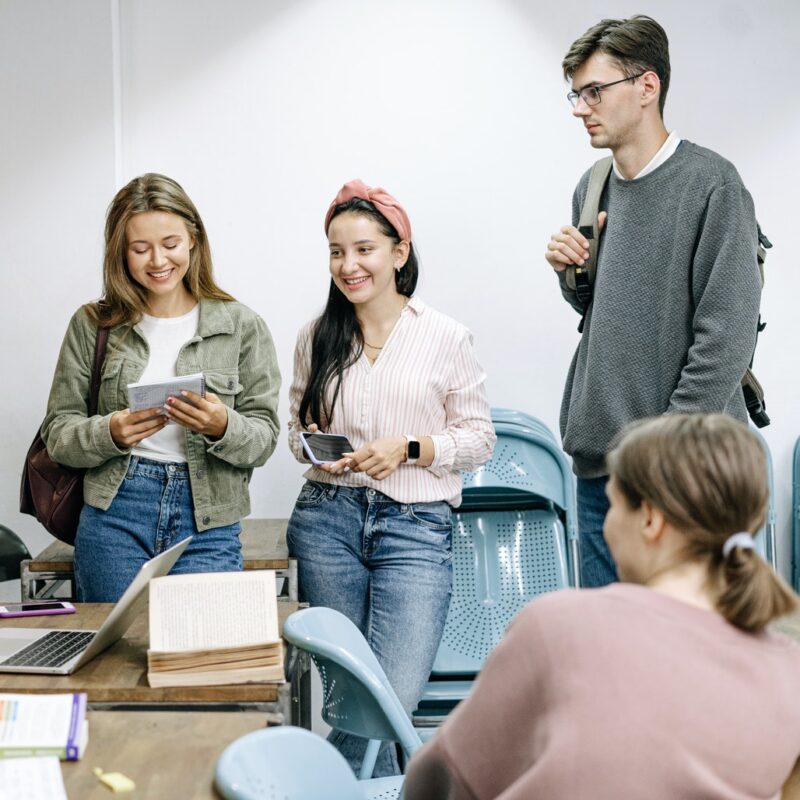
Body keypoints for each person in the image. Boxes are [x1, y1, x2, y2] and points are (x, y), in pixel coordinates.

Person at [404, 413, 800, 800]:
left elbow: (441, 780)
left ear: (649, 519)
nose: (607, 526)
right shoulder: (788, 666)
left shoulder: (561, 625)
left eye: (613, 507)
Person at [543, 15, 763, 587]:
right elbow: (605, 314)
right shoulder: (591, 187)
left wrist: (659, 455)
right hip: (601, 473)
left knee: (693, 660)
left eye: (595, 91)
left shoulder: (713, 185)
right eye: (576, 92)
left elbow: (726, 340)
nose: (580, 107)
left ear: (647, 87)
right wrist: (573, 276)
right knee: (609, 660)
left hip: (686, 475)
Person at [286, 179, 495, 777]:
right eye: (335, 251)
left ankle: (320, 787)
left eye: (363, 249)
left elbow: (479, 438)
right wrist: (317, 449)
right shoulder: (316, 336)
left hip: (416, 529)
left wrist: (410, 447)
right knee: (350, 699)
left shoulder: (446, 336)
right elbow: (294, 432)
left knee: (387, 701)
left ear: (399, 252)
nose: (347, 266)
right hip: (327, 523)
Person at [42, 173, 281, 602]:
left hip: (208, 518)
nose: (157, 261)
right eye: (140, 248)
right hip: (115, 513)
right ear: (120, 252)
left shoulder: (241, 326)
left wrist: (222, 425)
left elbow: (264, 439)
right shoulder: (92, 326)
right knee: (112, 658)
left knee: (198, 657)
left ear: (193, 239)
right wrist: (111, 432)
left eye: (170, 244)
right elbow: (58, 434)